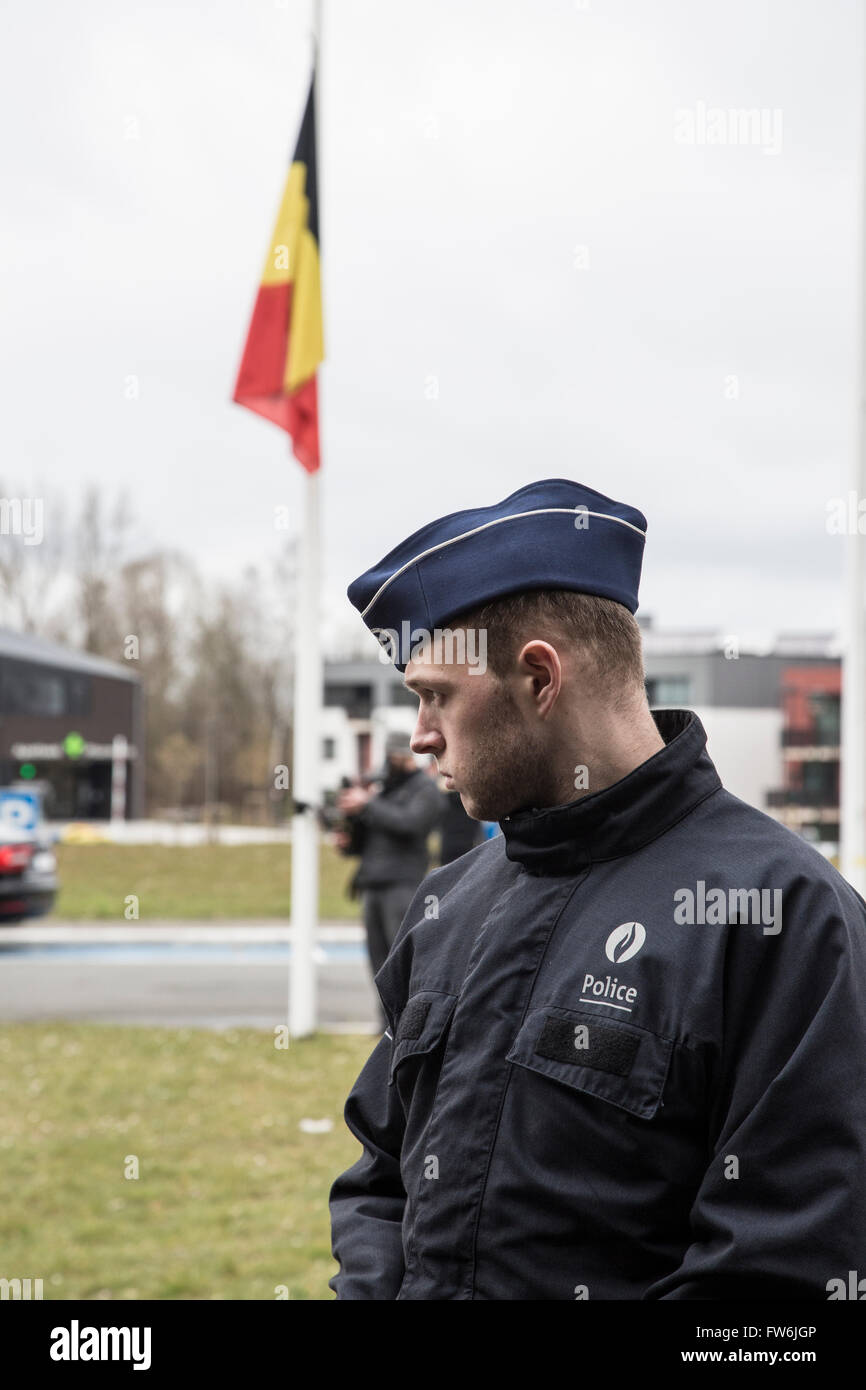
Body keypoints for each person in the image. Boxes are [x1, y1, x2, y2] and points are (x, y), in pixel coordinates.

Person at [328, 477, 866, 1300]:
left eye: (435, 694)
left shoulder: (786, 916)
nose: (421, 735)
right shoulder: (448, 903)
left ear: (539, 678)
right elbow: (378, 1181)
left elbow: (784, 1278)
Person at [337, 732, 443, 1028]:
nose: (388, 761)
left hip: (402, 886)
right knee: (378, 961)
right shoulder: (383, 790)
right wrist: (348, 837)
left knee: (401, 962)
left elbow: (410, 824)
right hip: (373, 884)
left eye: (393, 754)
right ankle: (385, 1024)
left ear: (405, 756)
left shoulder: (425, 790)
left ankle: (408, 1023)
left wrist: (367, 805)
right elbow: (369, 840)